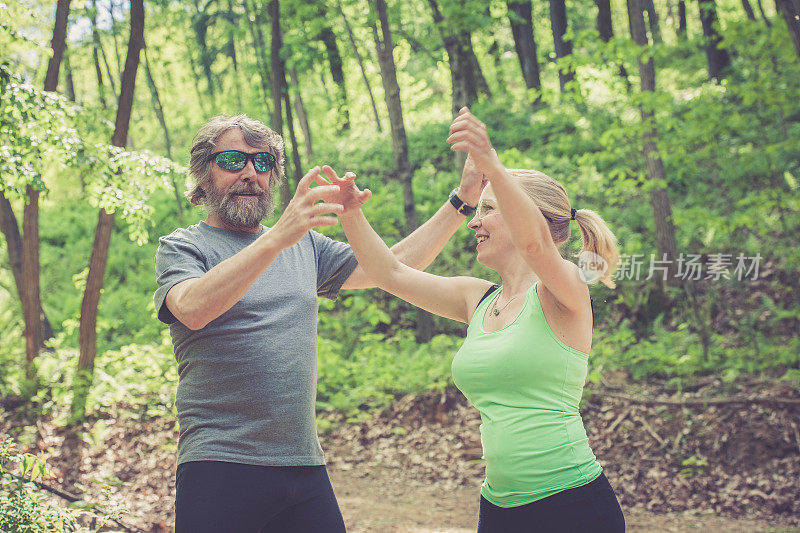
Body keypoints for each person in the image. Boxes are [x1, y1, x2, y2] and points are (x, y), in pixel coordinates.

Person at [153, 113, 485, 532]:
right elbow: (193, 308)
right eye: (233, 161)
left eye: (263, 162)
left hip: (303, 465)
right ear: (203, 175)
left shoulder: (305, 245)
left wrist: (463, 199)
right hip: (218, 463)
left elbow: (394, 267)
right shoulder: (184, 246)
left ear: (274, 177)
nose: (250, 173)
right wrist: (276, 238)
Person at [335, 107, 626, 532]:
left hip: (572, 506)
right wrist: (350, 215)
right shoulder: (478, 298)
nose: (474, 222)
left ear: (527, 214)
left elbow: (536, 247)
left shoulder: (566, 290)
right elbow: (391, 274)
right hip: (499, 509)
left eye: (488, 209)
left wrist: (491, 163)